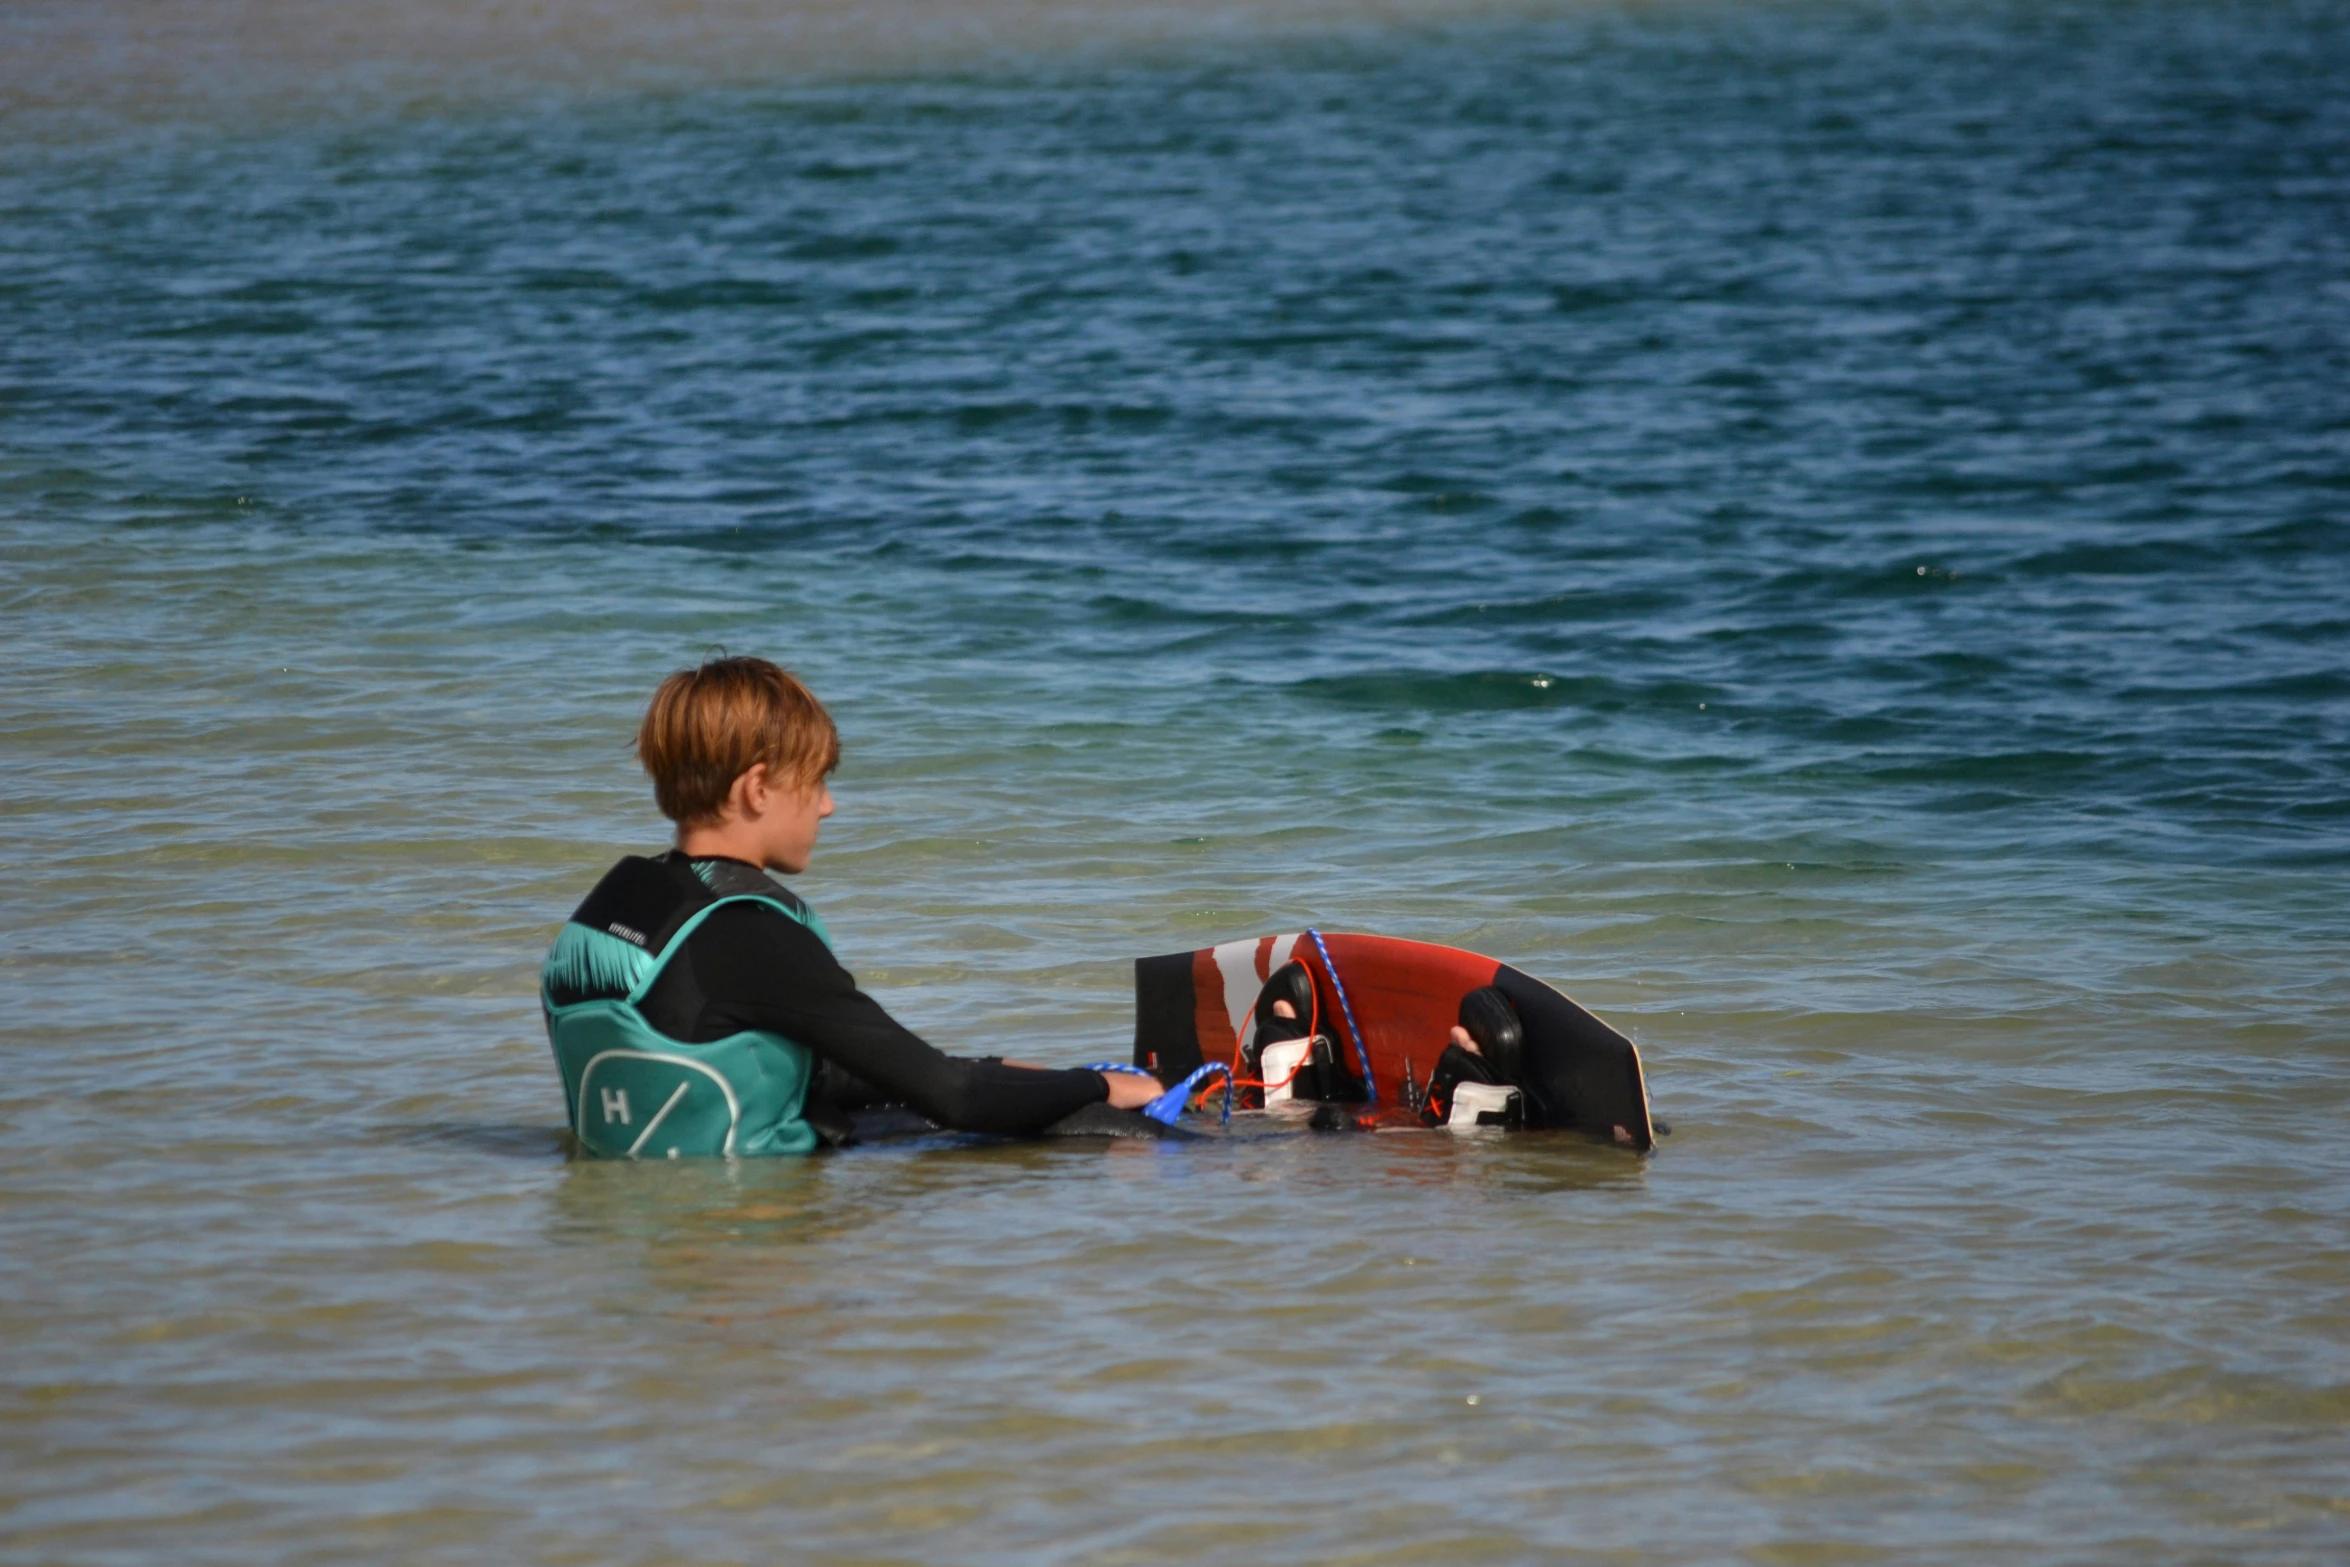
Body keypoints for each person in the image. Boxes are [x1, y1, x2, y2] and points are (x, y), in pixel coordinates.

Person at [540, 655, 1161, 1158]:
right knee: (1109, 1126)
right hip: (744, 1230)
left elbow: (763, 1058)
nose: (827, 806)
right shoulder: (751, 932)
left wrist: (995, 1067)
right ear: (757, 789)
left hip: (652, 1221)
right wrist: (1099, 1082)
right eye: (815, 782)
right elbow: (957, 1100)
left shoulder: (609, 909)